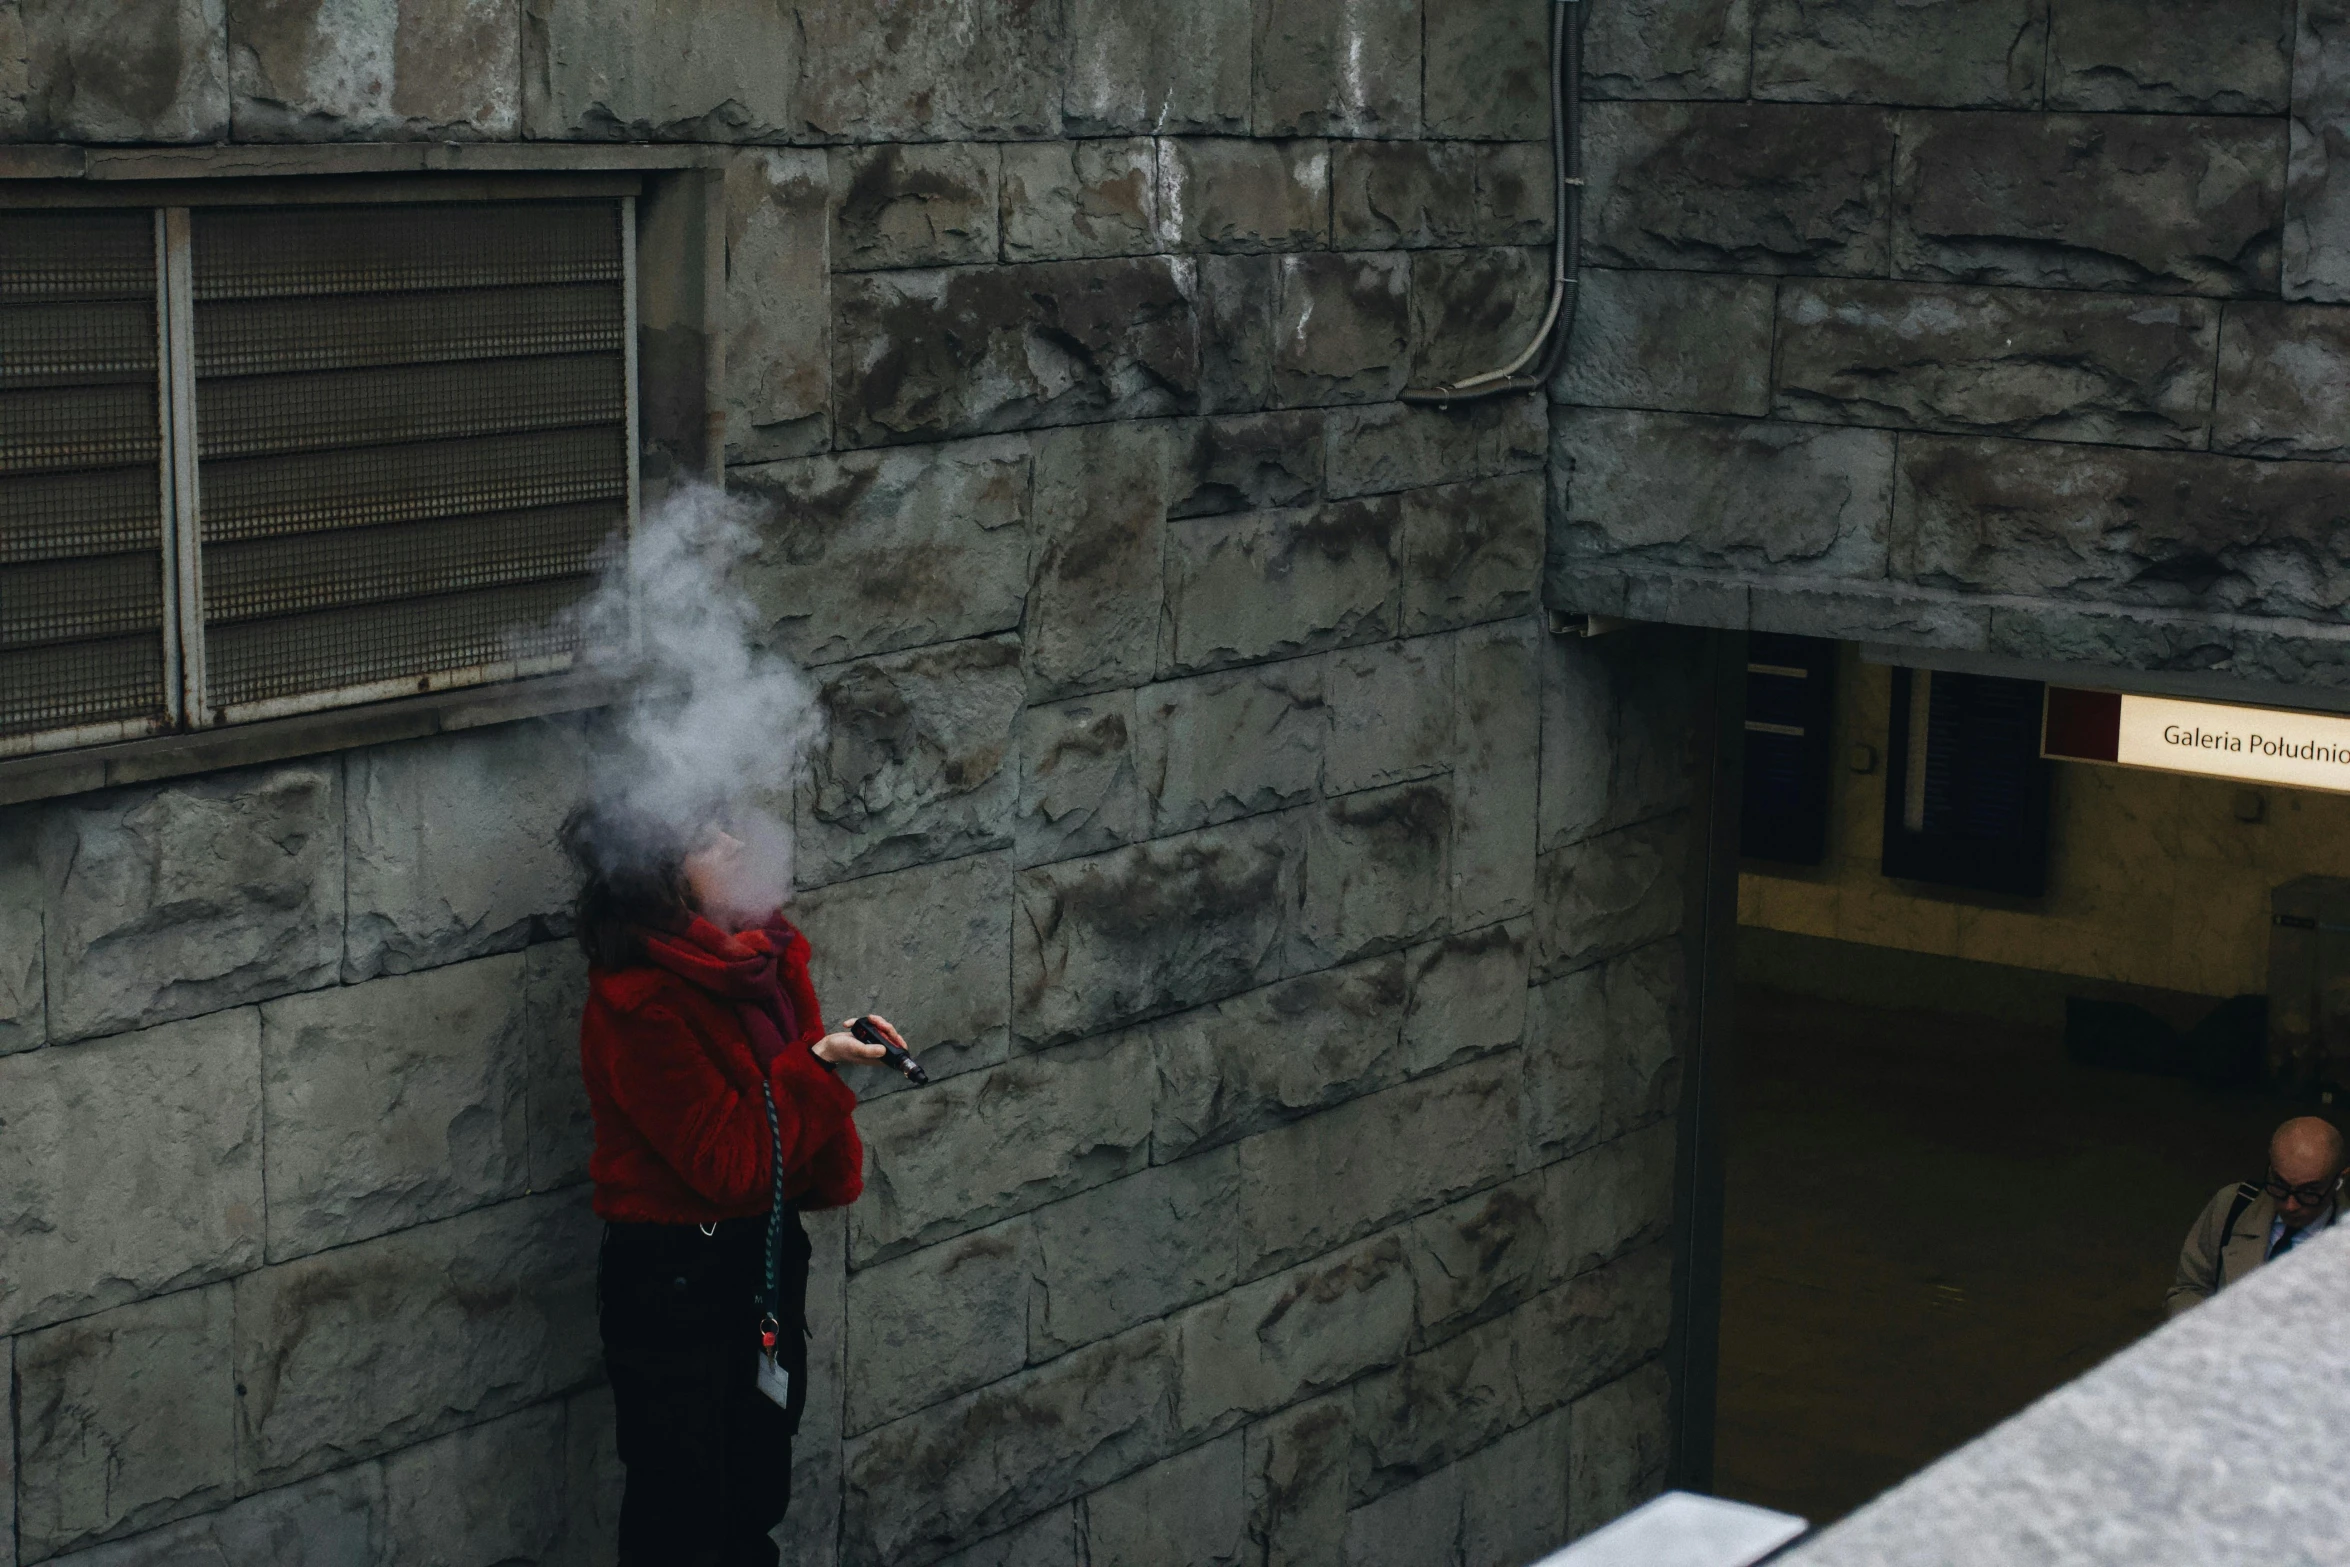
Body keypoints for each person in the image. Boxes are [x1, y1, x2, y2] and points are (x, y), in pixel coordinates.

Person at [563, 806, 903, 1566]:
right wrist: (818, 1064)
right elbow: (730, 1162)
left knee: (754, 1500)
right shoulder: (638, 1003)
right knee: (682, 1521)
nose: (737, 844)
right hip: (674, 1281)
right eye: (708, 838)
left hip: (759, 1259)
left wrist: (827, 1046)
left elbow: (776, 1118)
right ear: (663, 872)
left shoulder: (758, 956)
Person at [2165, 1115, 2348, 1318]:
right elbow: (2190, 1288)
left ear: (2340, 1180)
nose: (2290, 1205)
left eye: (2309, 1192)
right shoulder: (2231, 1206)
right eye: (2279, 1184)